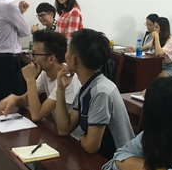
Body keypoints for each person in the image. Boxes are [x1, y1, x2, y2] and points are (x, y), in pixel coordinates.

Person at [55, 28, 134, 158]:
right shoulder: (88, 86)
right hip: (101, 158)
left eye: (67, 51)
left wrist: (82, 137)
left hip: (116, 161)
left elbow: (91, 146)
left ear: (74, 59)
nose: (65, 56)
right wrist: (60, 89)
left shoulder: (101, 92)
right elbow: (64, 129)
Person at [0, 30, 82, 122]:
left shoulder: (67, 79)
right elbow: (27, 100)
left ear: (51, 58)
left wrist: (30, 79)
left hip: (72, 131)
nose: (32, 58)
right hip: (58, 127)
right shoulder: (46, 72)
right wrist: (14, 99)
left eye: (35, 54)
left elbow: (36, 115)